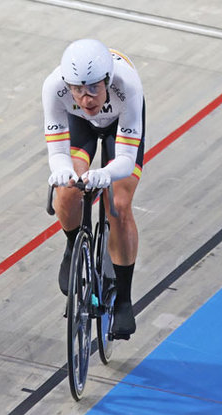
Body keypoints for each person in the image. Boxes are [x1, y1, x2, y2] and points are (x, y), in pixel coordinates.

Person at [42, 39, 145, 339]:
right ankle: (74, 244)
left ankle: (124, 300)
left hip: (119, 128)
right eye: (77, 90)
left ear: (107, 81)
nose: (85, 99)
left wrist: (105, 174)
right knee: (68, 190)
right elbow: (57, 152)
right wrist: (62, 171)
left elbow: (125, 159)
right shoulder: (54, 88)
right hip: (79, 126)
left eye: (93, 90)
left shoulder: (128, 86)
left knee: (119, 204)